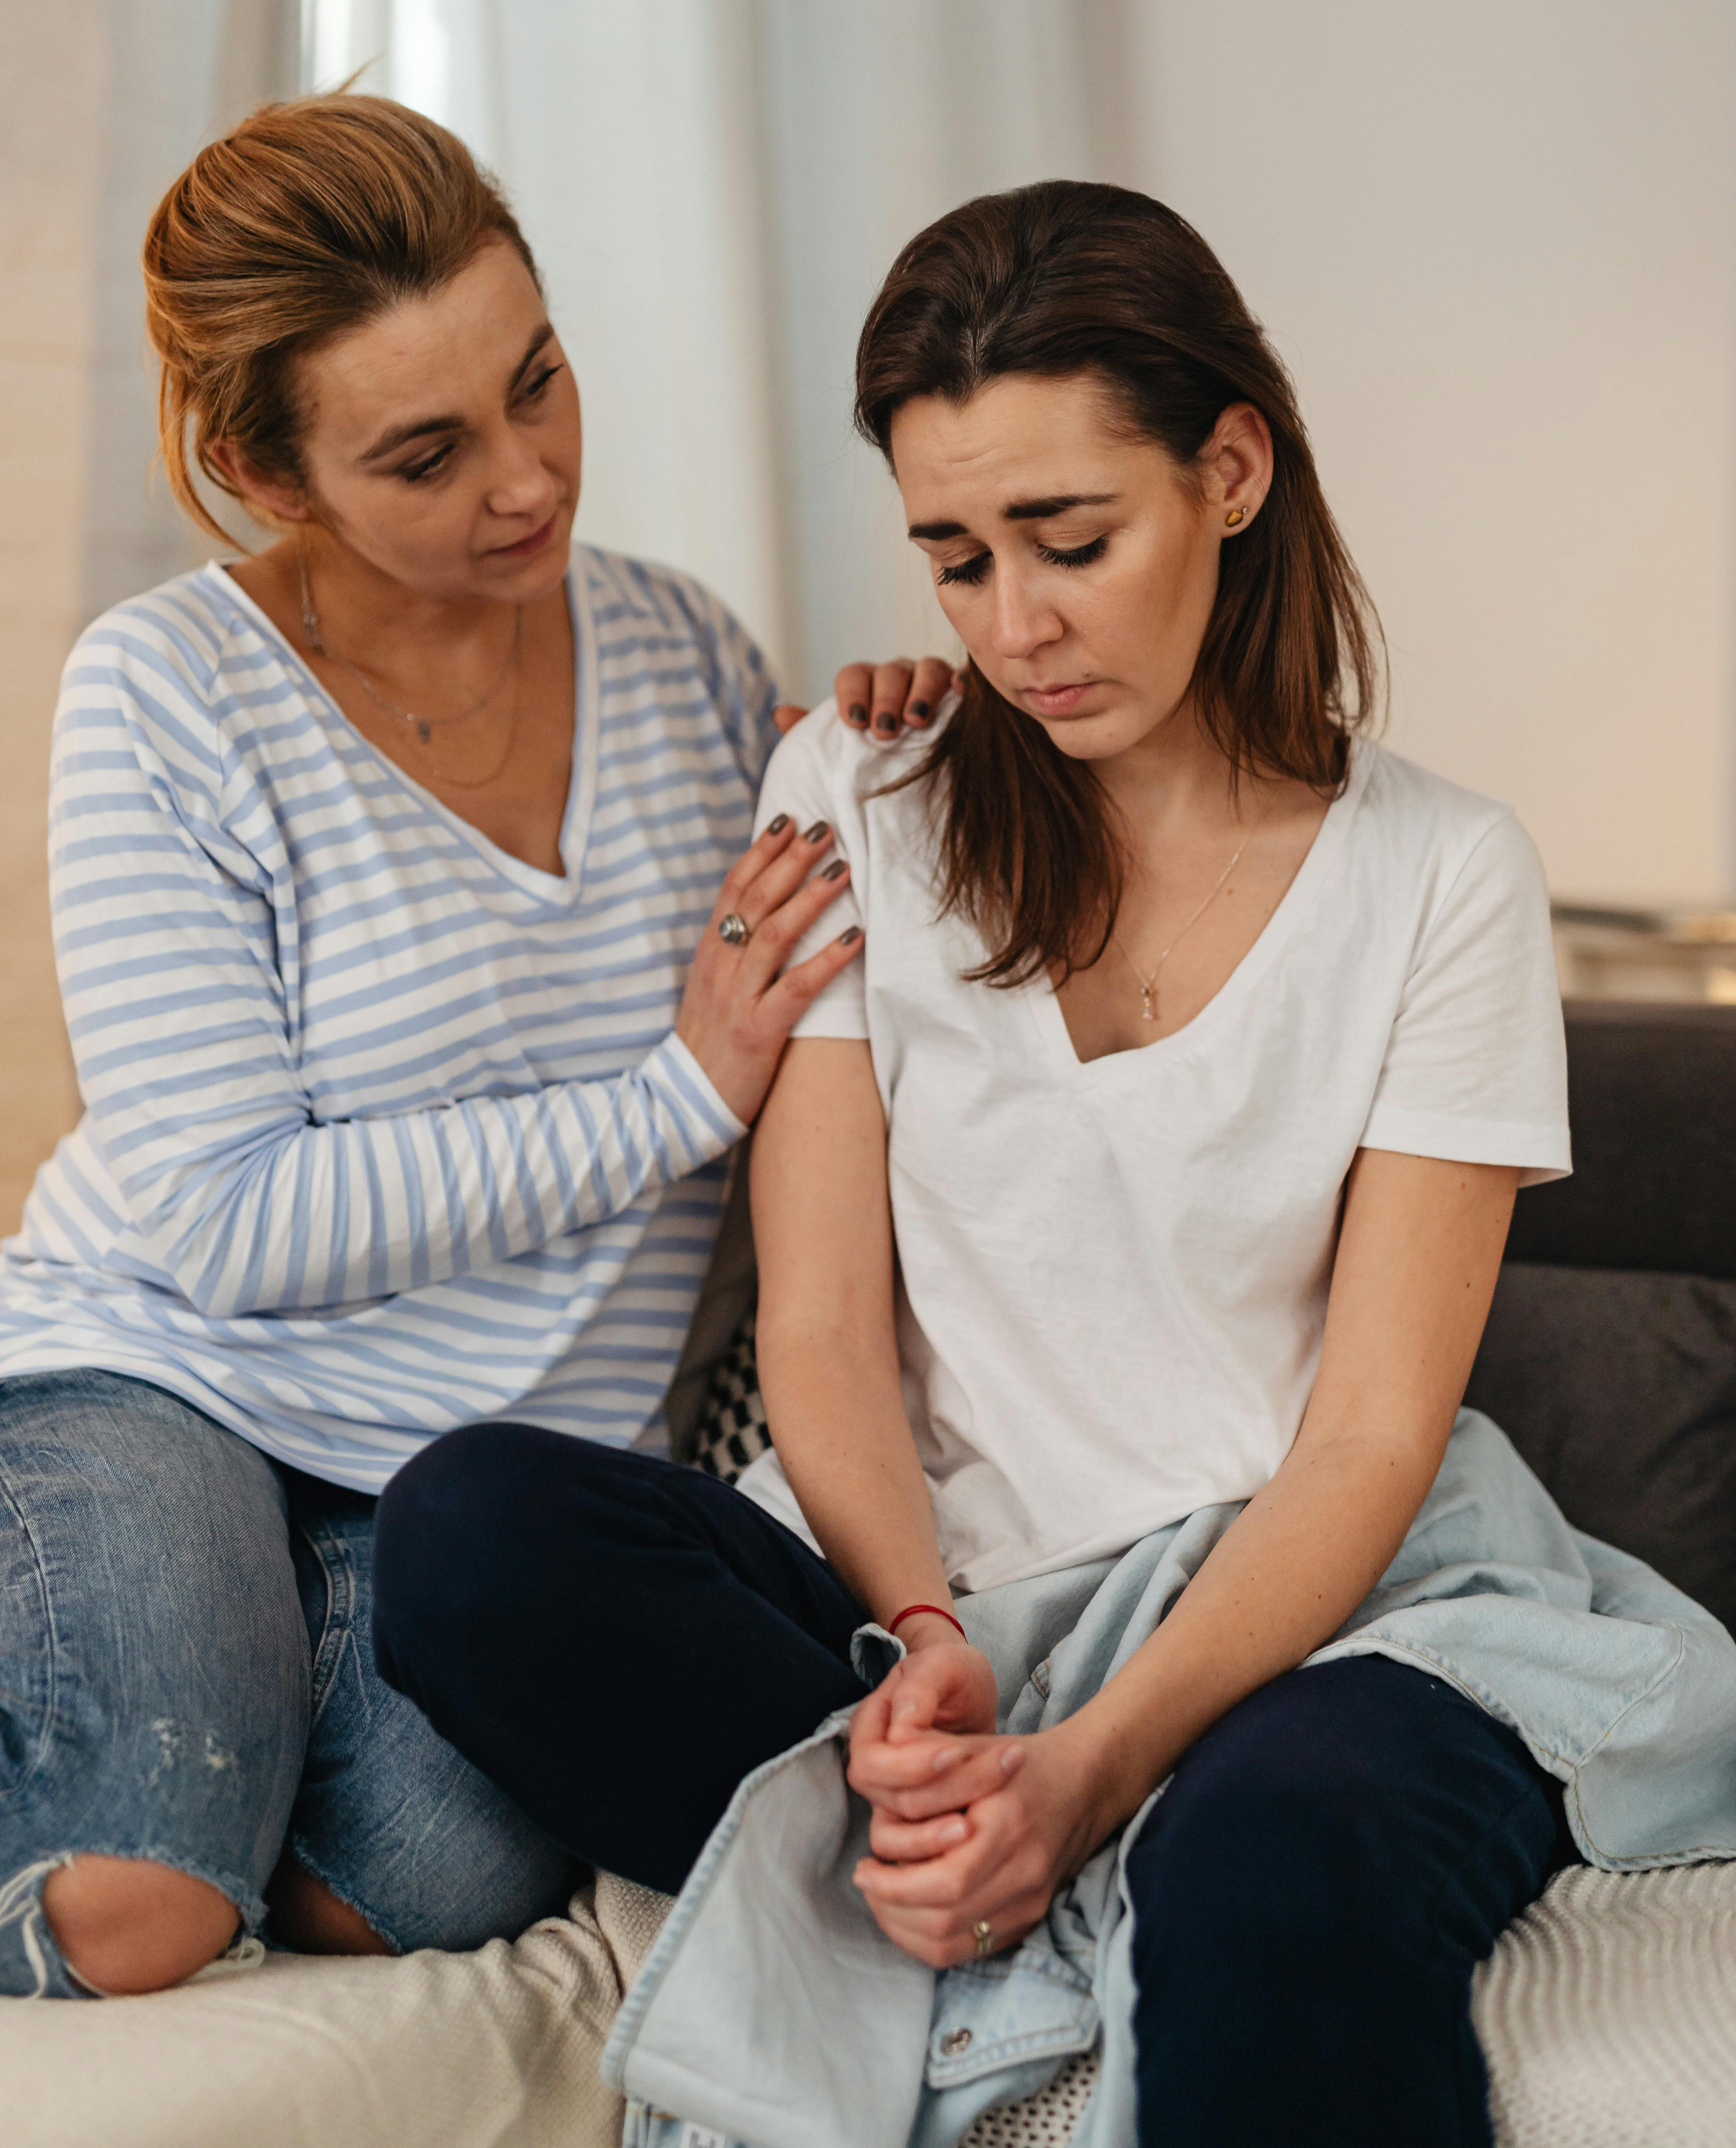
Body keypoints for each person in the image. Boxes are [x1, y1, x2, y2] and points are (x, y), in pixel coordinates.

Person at [374, 181, 1736, 2147]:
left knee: (1273, 1853)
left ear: (1232, 470)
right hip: (924, 1602)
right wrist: (927, 1652)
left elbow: (1366, 1438)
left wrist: (1090, 1765)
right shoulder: (856, 787)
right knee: (474, 1533)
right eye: (953, 557)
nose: (1016, 626)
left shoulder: (1443, 875)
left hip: (1331, 1611)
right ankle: (988, 1868)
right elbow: (827, 1324)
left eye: (1070, 540)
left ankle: (1042, 1877)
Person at [0, 93, 949, 2002]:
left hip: (472, 1483)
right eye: (427, 454)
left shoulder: (685, 656)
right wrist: (669, 1100)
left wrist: (922, 737)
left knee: (428, 1879)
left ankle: (182, 1676)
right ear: (272, 475)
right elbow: (230, 1224)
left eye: (540, 383)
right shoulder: (166, 695)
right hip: (166, 1372)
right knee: (142, 1912)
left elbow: (852, 944)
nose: (526, 479)